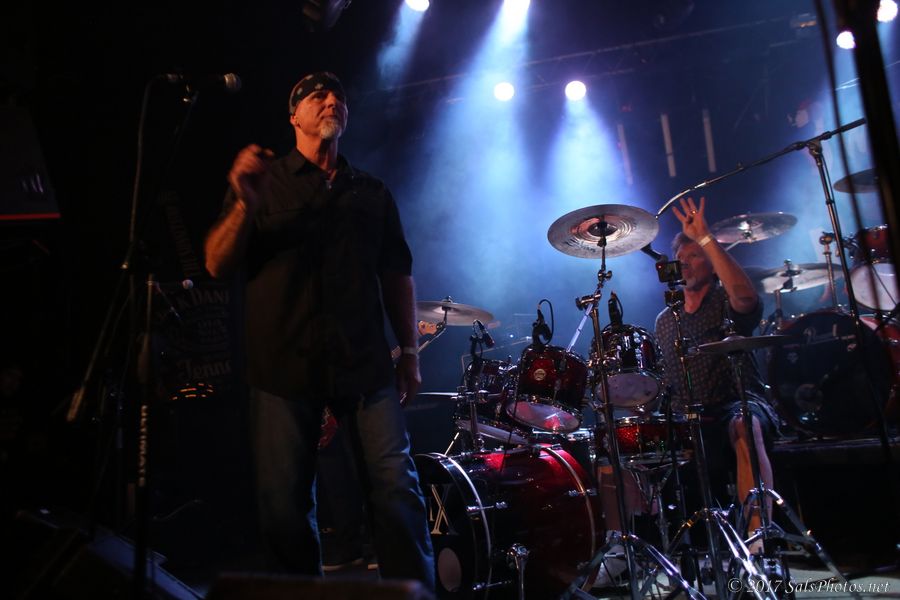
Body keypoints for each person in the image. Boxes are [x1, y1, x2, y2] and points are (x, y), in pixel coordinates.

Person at [203, 72, 435, 589]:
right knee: (283, 509)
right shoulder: (264, 183)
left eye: (339, 96)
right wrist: (243, 203)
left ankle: (415, 595)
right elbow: (216, 263)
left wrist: (410, 354)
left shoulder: (370, 191)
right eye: (317, 95)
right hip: (282, 367)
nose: (331, 101)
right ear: (294, 116)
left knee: (397, 492)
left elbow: (396, 272)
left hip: (365, 365)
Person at [654, 196, 778, 552]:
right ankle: (635, 546)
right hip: (686, 415)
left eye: (695, 256)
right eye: (681, 257)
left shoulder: (726, 301)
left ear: (712, 263)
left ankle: (758, 537)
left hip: (735, 403)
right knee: (621, 444)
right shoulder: (666, 320)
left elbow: (746, 299)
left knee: (745, 424)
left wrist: (706, 238)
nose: (686, 263)